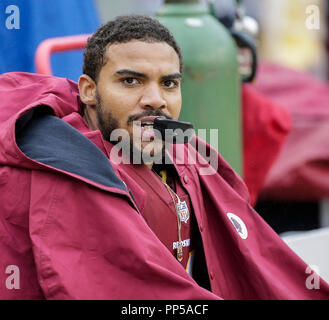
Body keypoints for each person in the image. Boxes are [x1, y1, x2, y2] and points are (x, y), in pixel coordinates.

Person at [0, 15, 328, 300]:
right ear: (88, 90)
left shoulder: (185, 153)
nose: (155, 100)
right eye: (131, 81)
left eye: (169, 83)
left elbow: (257, 255)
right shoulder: (65, 172)